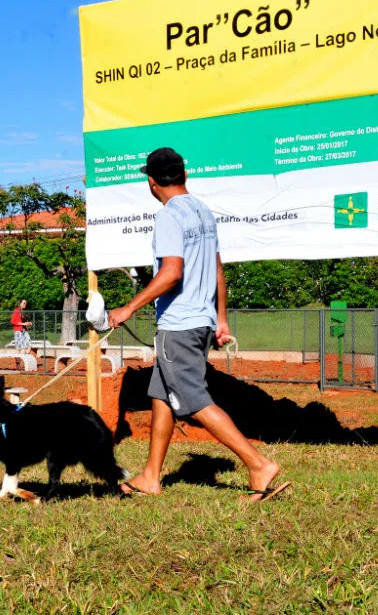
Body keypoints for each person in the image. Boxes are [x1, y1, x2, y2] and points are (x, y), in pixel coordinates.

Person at [107, 147, 290, 502]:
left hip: (179, 326)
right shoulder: (203, 212)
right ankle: (150, 477)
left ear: (151, 181)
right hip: (202, 320)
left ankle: (258, 464)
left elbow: (172, 272)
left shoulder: (168, 216)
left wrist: (129, 307)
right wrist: (220, 318)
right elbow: (218, 269)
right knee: (161, 395)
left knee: (191, 400)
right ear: (184, 175)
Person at [10, 299, 34, 369]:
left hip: (23, 330)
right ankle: (18, 364)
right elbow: (12, 322)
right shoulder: (16, 310)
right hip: (18, 331)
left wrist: (27, 323)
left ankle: (25, 359)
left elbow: (22, 321)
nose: (25, 305)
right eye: (23, 303)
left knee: (29, 345)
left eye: (25, 303)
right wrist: (23, 323)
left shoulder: (23, 311)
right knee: (19, 348)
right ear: (20, 304)